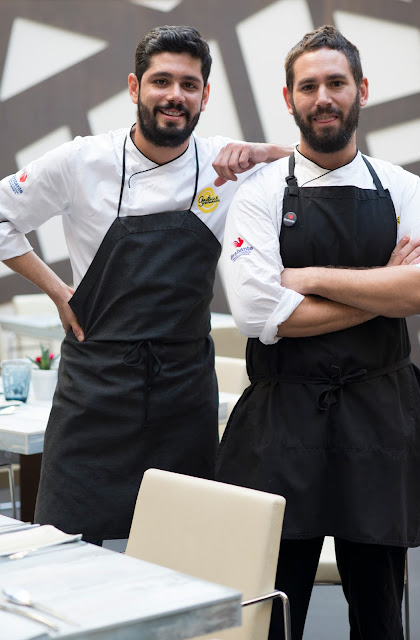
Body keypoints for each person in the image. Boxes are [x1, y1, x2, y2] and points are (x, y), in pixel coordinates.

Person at [0, 25, 293, 544]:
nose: (174, 95)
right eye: (161, 81)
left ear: (205, 96)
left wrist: (269, 152)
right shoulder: (82, 160)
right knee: (65, 544)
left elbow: (319, 170)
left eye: (188, 84)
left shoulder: (227, 164)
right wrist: (57, 290)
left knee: (185, 547)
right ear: (135, 87)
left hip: (184, 390)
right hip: (96, 387)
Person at [216, 25, 420, 640]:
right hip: (282, 421)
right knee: (271, 612)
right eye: (308, 87)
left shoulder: (402, 187)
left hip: (379, 418)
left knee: (380, 613)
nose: (323, 97)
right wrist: (380, 288)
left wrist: (305, 278)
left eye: (336, 83)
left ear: (362, 89)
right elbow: (258, 314)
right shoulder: (257, 192)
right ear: (289, 99)